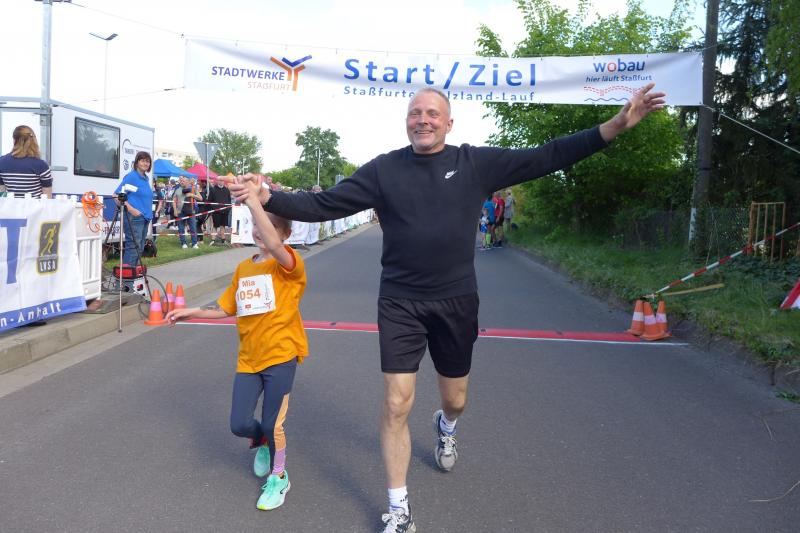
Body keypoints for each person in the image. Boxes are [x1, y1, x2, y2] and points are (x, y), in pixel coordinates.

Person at [229, 83, 665, 532]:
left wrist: (615, 126)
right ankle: (399, 509)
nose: (423, 120)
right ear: (406, 121)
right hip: (399, 301)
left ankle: (447, 425)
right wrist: (269, 197)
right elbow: (323, 204)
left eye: (432, 113)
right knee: (396, 403)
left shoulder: (474, 163)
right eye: (415, 113)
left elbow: (546, 156)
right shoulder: (384, 170)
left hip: (456, 301)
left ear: (449, 123)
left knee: (456, 398)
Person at [165, 182, 307, 512]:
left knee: (273, 423)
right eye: (257, 224)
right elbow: (226, 308)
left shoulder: (290, 265)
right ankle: (262, 441)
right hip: (249, 359)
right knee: (239, 424)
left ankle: (279, 476)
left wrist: (255, 201)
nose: (260, 230)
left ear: (285, 234)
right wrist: (190, 311)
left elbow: (275, 246)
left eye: (269, 226)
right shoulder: (244, 267)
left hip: (281, 356)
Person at [114, 151, 153, 278]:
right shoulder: (132, 177)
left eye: (147, 161)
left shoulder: (145, 178)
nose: (145, 163)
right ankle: (126, 280)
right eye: (142, 160)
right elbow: (116, 195)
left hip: (144, 218)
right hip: (135, 218)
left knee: (139, 248)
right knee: (133, 248)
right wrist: (131, 209)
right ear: (137, 162)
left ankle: (131, 277)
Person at [0, 125, 52, 198]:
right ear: (33, 140)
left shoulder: (1, 162)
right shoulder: (41, 165)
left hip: (11, 205)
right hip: (35, 205)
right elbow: (47, 196)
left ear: (14, 140)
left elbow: (1, 193)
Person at [172, 175, 202, 249]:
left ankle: (194, 243)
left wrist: (192, 195)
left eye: (184, 181)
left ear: (188, 182)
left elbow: (201, 198)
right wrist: (175, 210)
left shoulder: (193, 189)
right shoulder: (177, 189)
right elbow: (174, 201)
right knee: (181, 228)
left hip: (191, 211)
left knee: (193, 228)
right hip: (180, 212)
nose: (182, 182)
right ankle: (183, 243)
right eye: (181, 181)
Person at [208, 176, 233, 245]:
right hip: (216, 211)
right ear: (217, 181)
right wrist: (213, 208)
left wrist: (228, 208)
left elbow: (229, 200)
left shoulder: (226, 190)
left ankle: (223, 240)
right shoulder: (213, 189)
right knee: (215, 226)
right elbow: (209, 200)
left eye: (222, 180)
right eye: (220, 180)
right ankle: (213, 240)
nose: (221, 182)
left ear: (224, 181)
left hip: (225, 211)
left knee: (223, 225)